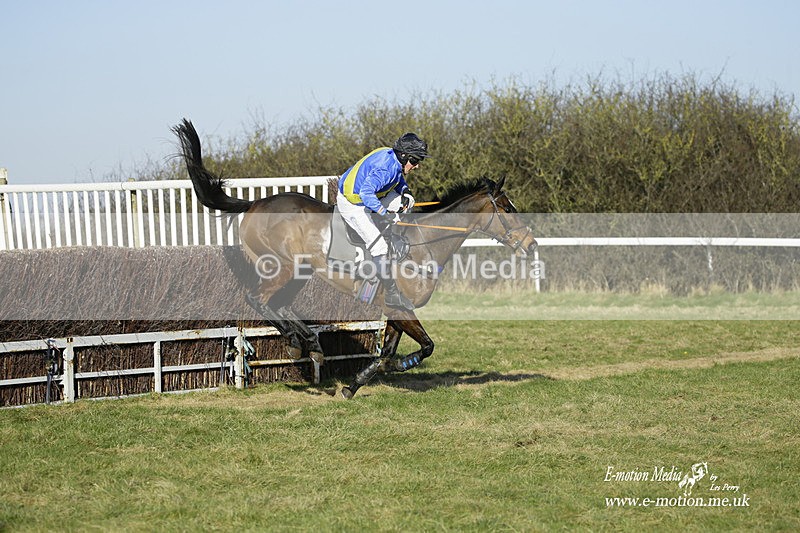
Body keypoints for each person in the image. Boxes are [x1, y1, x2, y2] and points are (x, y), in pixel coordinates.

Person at [337, 133, 429, 311]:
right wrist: (384, 213)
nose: (417, 165)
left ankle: (390, 239)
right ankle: (392, 294)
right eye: (415, 160)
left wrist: (405, 192)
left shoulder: (393, 158)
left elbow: (398, 178)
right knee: (380, 248)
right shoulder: (385, 169)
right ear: (404, 156)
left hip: (369, 195)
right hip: (353, 203)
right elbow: (366, 194)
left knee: (408, 203)